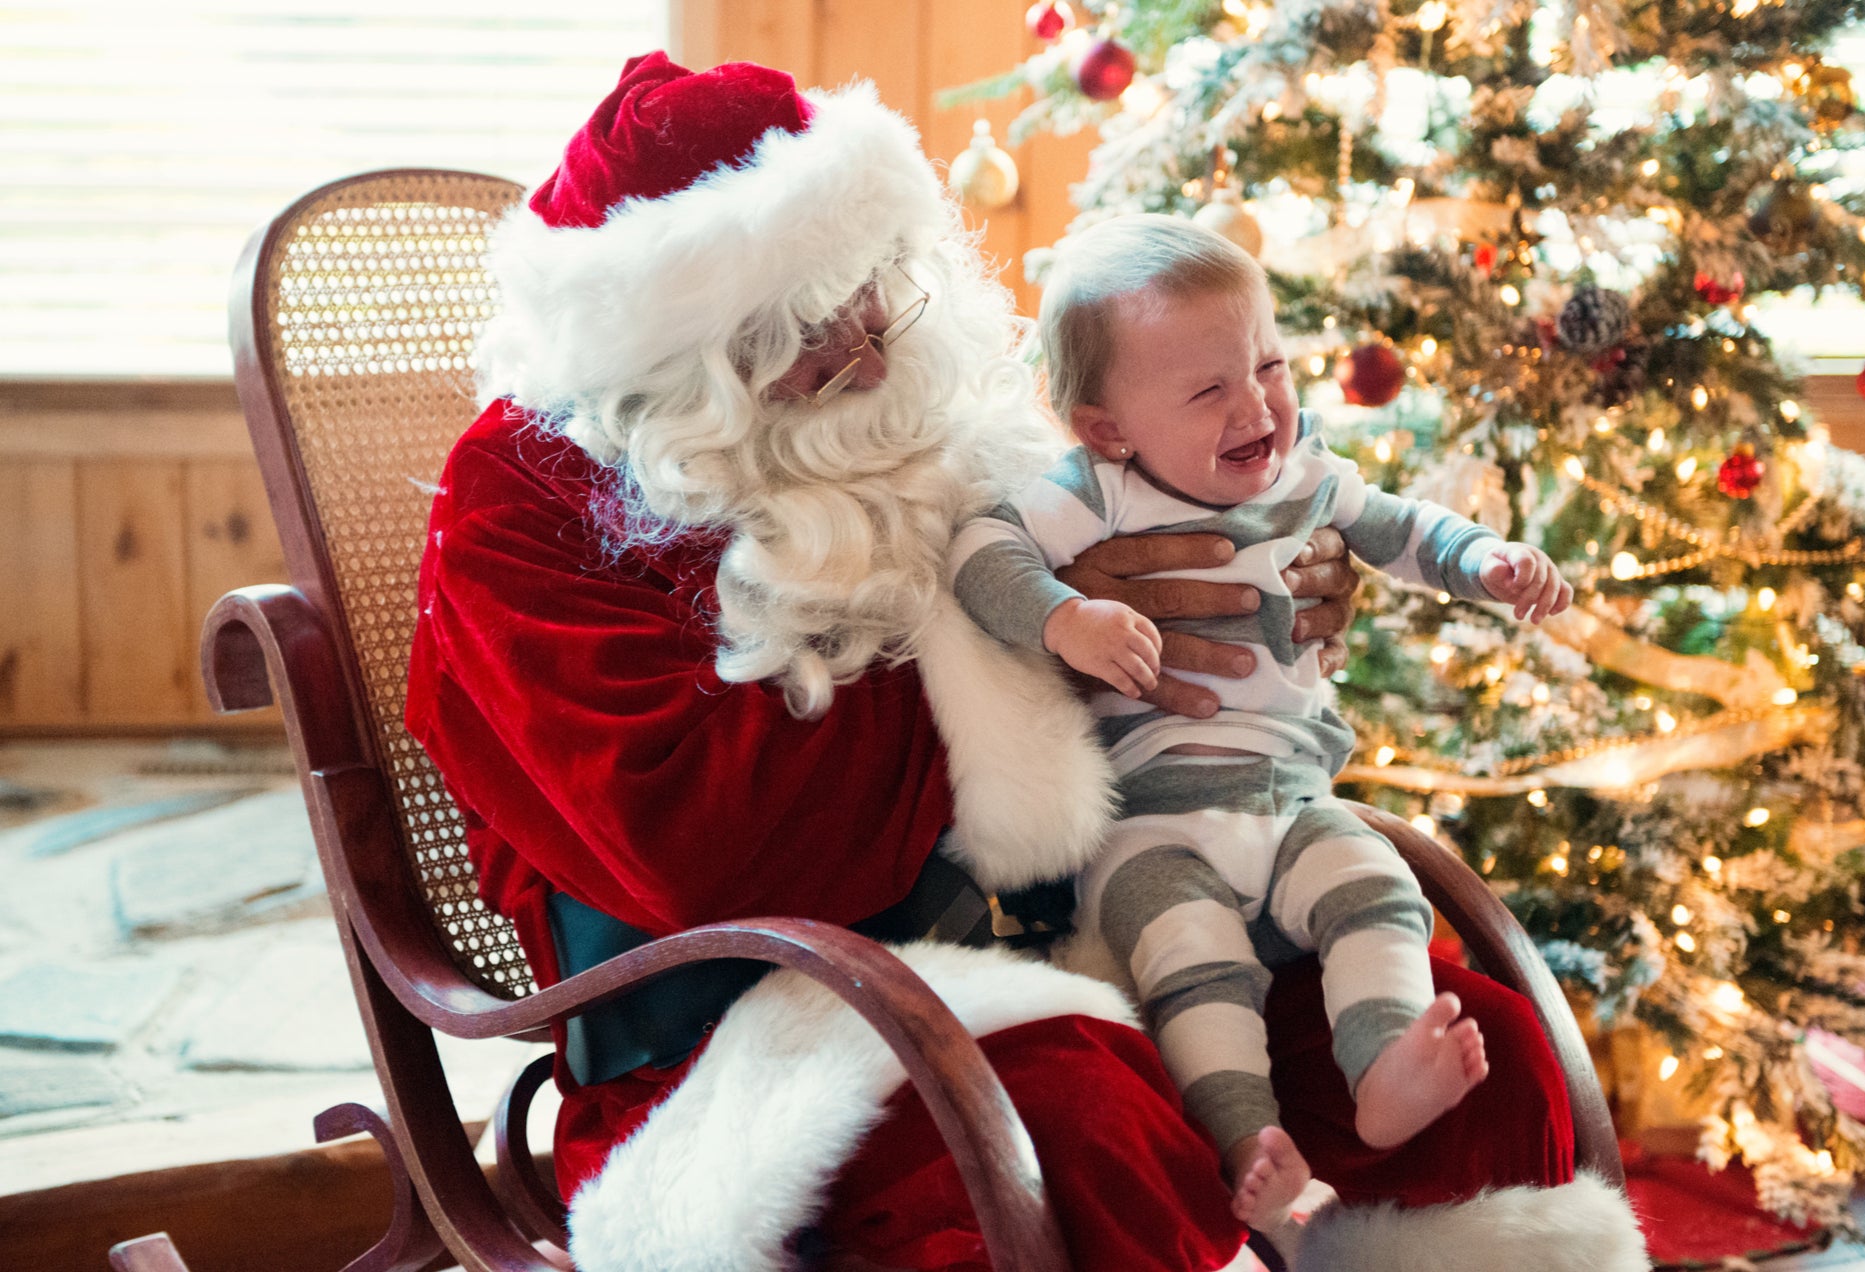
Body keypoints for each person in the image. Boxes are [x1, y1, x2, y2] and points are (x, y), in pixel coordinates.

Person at [404, 52, 1647, 1271]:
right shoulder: (524, 504)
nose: (875, 351)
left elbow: (1170, 606)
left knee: (1477, 1055)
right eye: (803, 330)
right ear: (678, 360)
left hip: (1104, 923)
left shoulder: (932, 417)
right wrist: (1015, 640)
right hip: (765, 1031)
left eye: (876, 285)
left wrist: (1263, 596)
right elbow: (701, 849)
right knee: (1082, 1129)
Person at [949, 214, 1573, 1234]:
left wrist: (1487, 563)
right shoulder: (1091, 495)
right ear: (1108, 428)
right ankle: (1250, 1142)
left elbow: (1408, 531)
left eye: (1270, 367)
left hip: (1292, 802)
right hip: (1151, 820)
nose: (1259, 408)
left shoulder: (1304, 478)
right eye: (1209, 390)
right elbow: (982, 555)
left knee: (1376, 889)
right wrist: (1065, 616)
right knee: (1190, 957)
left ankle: (1382, 1073)